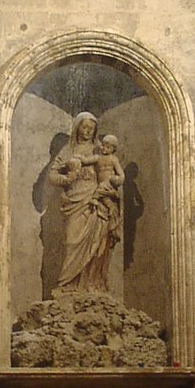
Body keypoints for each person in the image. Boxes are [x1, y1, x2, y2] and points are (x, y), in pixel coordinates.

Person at [48, 113, 121, 295]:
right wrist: (66, 179)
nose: (87, 131)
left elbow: (112, 175)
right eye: (84, 127)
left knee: (97, 244)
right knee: (72, 241)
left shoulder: (100, 149)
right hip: (75, 199)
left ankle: (92, 285)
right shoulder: (68, 150)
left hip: (96, 200)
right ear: (77, 127)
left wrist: (110, 193)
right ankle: (68, 285)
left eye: (91, 128)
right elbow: (52, 175)